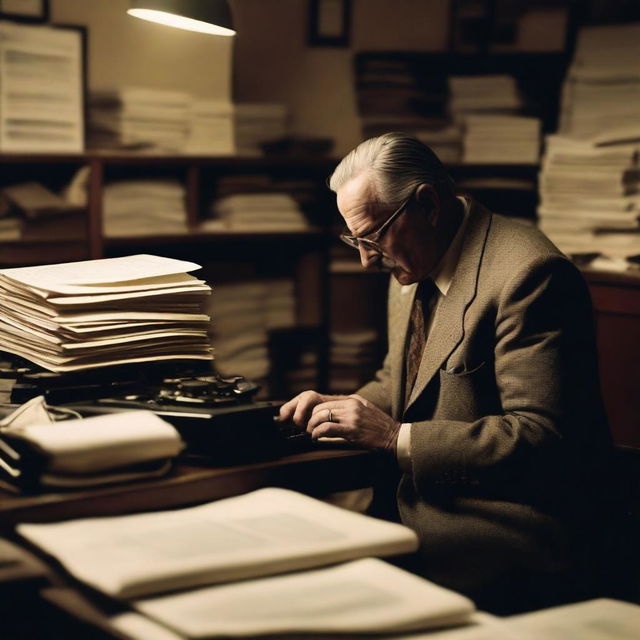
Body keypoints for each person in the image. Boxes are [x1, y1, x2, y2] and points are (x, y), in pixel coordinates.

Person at [278, 132, 613, 613]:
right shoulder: (416, 259)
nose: (365, 259)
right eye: (355, 239)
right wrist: (337, 407)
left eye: (372, 237)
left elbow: (542, 437)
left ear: (428, 205)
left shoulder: (531, 274)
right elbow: (402, 379)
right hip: (408, 512)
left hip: (499, 536)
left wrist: (395, 437)